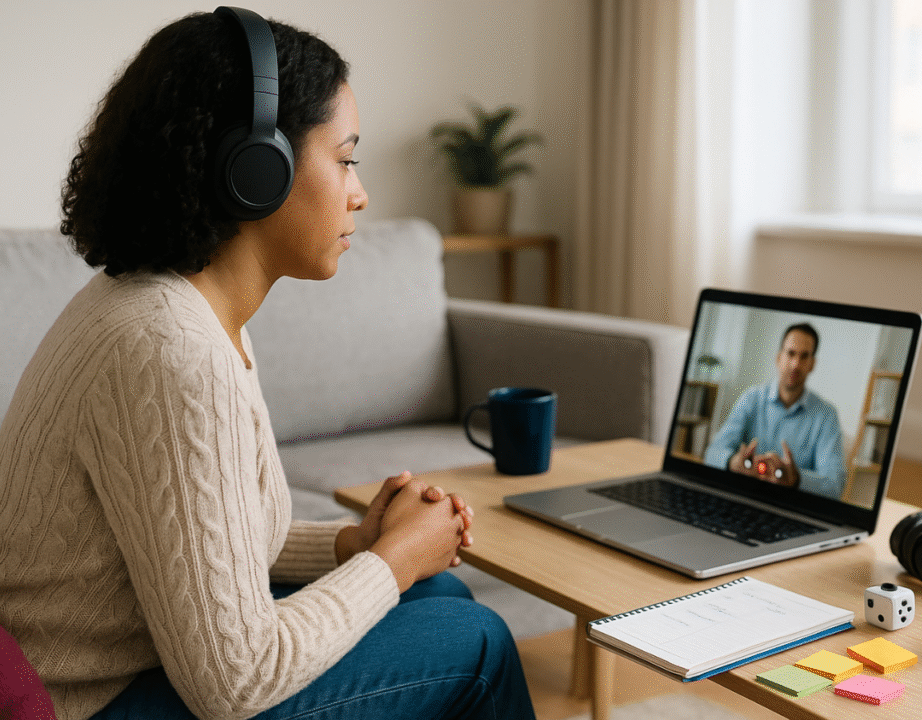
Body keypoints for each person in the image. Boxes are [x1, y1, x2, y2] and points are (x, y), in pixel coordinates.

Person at [0, 9, 535, 720]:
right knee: (477, 639)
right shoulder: (172, 352)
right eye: (344, 158)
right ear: (257, 169)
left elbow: (211, 540)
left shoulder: (183, 307)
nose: (360, 192)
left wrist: (359, 544)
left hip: (141, 665)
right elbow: (234, 682)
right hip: (88, 703)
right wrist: (394, 560)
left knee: (439, 595)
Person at [704, 323, 846, 500]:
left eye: (804, 357)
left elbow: (835, 485)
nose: (795, 364)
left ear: (812, 364)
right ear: (779, 357)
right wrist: (733, 462)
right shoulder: (751, 398)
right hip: (742, 497)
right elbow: (712, 453)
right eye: (791, 353)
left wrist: (797, 479)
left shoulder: (826, 416)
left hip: (792, 507)